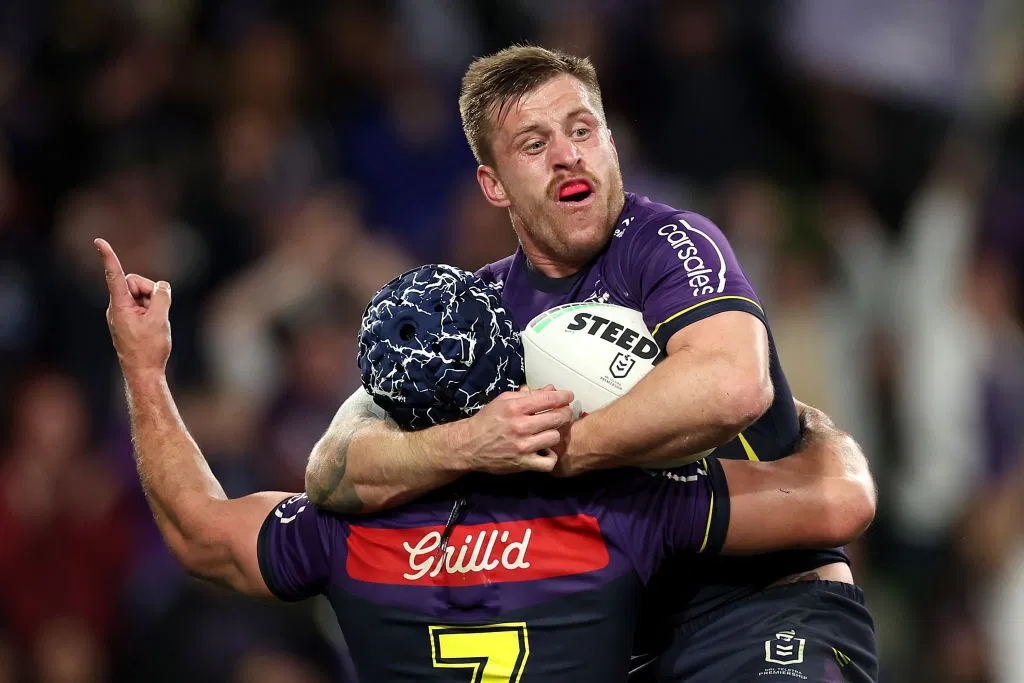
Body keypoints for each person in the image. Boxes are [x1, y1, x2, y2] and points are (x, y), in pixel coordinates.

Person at [305, 46, 879, 682]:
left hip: (766, 608)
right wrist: (472, 444)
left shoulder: (668, 244)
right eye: (533, 143)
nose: (566, 153)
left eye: (582, 130)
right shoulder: (474, 317)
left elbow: (733, 386)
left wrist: (562, 456)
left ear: (610, 143)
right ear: (493, 185)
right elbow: (332, 469)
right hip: (618, 641)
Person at [96, 240, 873, 682]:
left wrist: (143, 371)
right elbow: (834, 503)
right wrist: (811, 422)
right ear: (513, 370)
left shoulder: (340, 530)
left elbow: (197, 527)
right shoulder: (610, 500)